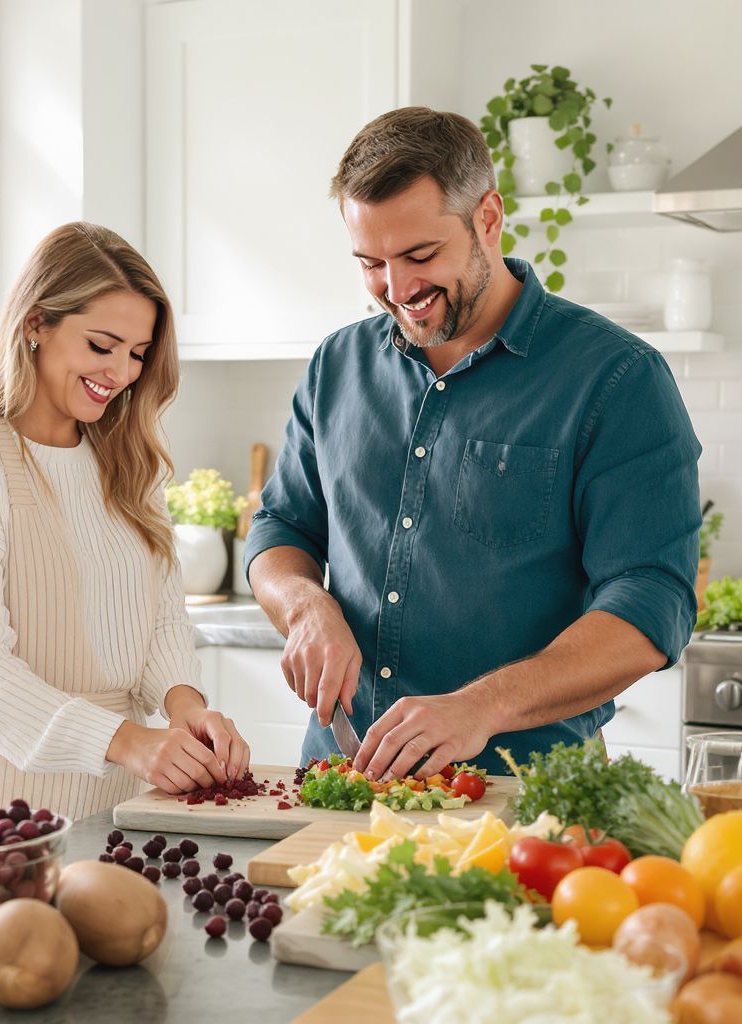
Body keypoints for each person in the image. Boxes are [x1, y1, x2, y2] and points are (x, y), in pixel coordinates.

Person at [245, 107, 701, 781]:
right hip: (340, 782)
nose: (397, 291)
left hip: (526, 792)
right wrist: (305, 605)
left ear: (488, 218)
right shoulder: (335, 367)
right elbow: (281, 528)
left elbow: (650, 604)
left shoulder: (616, 378)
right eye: (371, 263)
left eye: (420, 256)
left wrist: (481, 707)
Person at [0, 222, 249, 816]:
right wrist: (128, 741)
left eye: (137, 354)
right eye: (101, 345)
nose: (120, 373)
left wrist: (186, 704)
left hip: (112, 802)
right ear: (36, 323)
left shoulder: (130, 459)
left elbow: (159, 617)